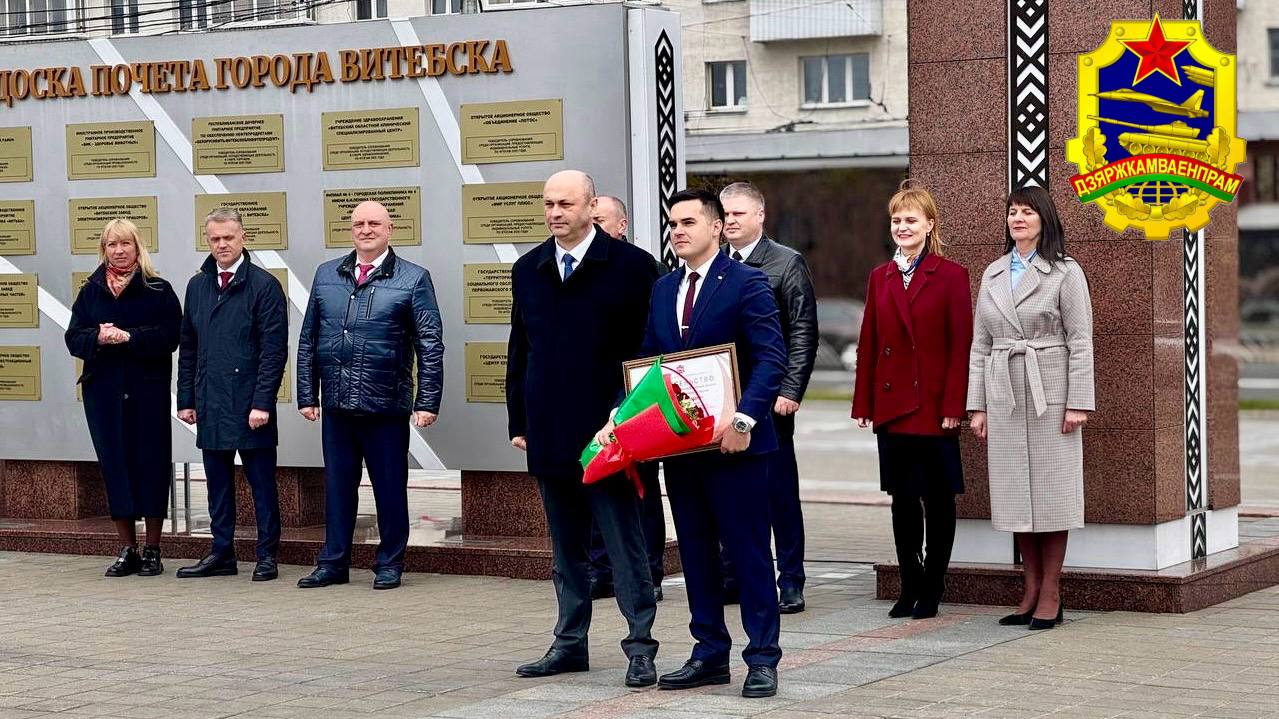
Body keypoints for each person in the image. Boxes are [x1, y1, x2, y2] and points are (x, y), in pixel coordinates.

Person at [598, 188, 787, 698]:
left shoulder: (748, 283)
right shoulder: (663, 290)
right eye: (672, 224)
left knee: (747, 553)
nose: (677, 231)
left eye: (687, 222)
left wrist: (744, 420)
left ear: (716, 227)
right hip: (680, 451)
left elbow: (772, 358)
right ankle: (709, 653)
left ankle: (763, 658)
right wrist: (621, 415)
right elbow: (647, 363)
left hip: (738, 446)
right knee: (697, 553)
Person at [506, 171, 663, 687]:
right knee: (566, 548)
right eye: (548, 203)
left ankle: (640, 646)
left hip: (612, 434)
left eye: (566, 203)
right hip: (550, 429)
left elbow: (650, 353)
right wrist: (519, 420)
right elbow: (519, 348)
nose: (555, 212)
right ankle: (569, 642)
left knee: (623, 547)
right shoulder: (529, 268)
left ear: (591, 205)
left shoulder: (634, 268)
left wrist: (626, 418)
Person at [295, 200, 444, 591]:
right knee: (338, 487)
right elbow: (309, 337)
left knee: (389, 488)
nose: (366, 229)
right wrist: (307, 394)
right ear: (351, 229)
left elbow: (430, 343)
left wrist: (427, 401)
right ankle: (333, 562)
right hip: (338, 405)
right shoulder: (327, 275)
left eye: (374, 223)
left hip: (386, 405)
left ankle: (390, 562)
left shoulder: (413, 278)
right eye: (359, 223)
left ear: (389, 229)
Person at [967, 185, 1094, 631]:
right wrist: (977, 405)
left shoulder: (1065, 272)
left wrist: (1078, 402)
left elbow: (1080, 340)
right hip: (1004, 392)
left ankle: (1052, 592)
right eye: (1012, 212)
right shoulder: (994, 273)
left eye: (1027, 212)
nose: (1018, 219)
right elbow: (980, 344)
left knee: (1052, 494)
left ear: (1045, 219)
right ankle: (1030, 588)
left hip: (1050, 392)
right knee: (1017, 494)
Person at [850, 182, 973, 620]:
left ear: (929, 224)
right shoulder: (879, 276)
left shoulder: (951, 274)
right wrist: (863, 403)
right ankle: (910, 582)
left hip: (935, 406)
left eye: (911, 220)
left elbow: (962, 346)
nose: (902, 227)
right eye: (896, 220)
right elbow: (870, 340)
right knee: (902, 498)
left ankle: (933, 585)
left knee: (938, 499)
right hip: (892, 406)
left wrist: (954, 405)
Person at [720, 181, 818, 615]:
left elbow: (802, 331)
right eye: (725, 215)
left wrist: (790, 390)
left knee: (778, 493)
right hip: (725, 399)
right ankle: (734, 574)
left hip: (770, 399)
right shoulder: (714, 264)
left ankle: (791, 580)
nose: (731, 221)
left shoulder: (785, 263)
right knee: (731, 492)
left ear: (760, 215)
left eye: (739, 213)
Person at [64, 219, 182, 577]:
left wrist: (130, 337)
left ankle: (153, 549)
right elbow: (73, 337)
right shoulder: (91, 291)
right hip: (104, 393)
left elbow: (171, 336)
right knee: (115, 464)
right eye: (112, 245)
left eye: (125, 244)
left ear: (137, 247)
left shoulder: (158, 289)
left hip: (147, 391)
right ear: (104, 249)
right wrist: (98, 338)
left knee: (151, 463)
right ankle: (127, 548)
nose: (119, 250)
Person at [175, 208, 288, 582]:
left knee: (261, 484)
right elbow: (188, 346)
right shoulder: (197, 286)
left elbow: (274, 351)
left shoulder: (263, 285)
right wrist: (186, 399)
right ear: (208, 240)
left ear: (243, 238)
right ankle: (221, 553)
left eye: (228, 237)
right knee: (218, 485)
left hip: (249, 405)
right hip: (210, 402)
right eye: (215, 239)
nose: (222, 245)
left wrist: (262, 403)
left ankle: (267, 556)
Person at [583, 192, 667, 603]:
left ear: (622, 225)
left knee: (641, 485)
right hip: (590, 392)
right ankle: (601, 568)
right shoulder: (579, 267)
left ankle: (649, 569)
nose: (595, 226)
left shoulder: (642, 267)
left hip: (636, 390)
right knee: (597, 475)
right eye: (591, 218)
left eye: (602, 220)